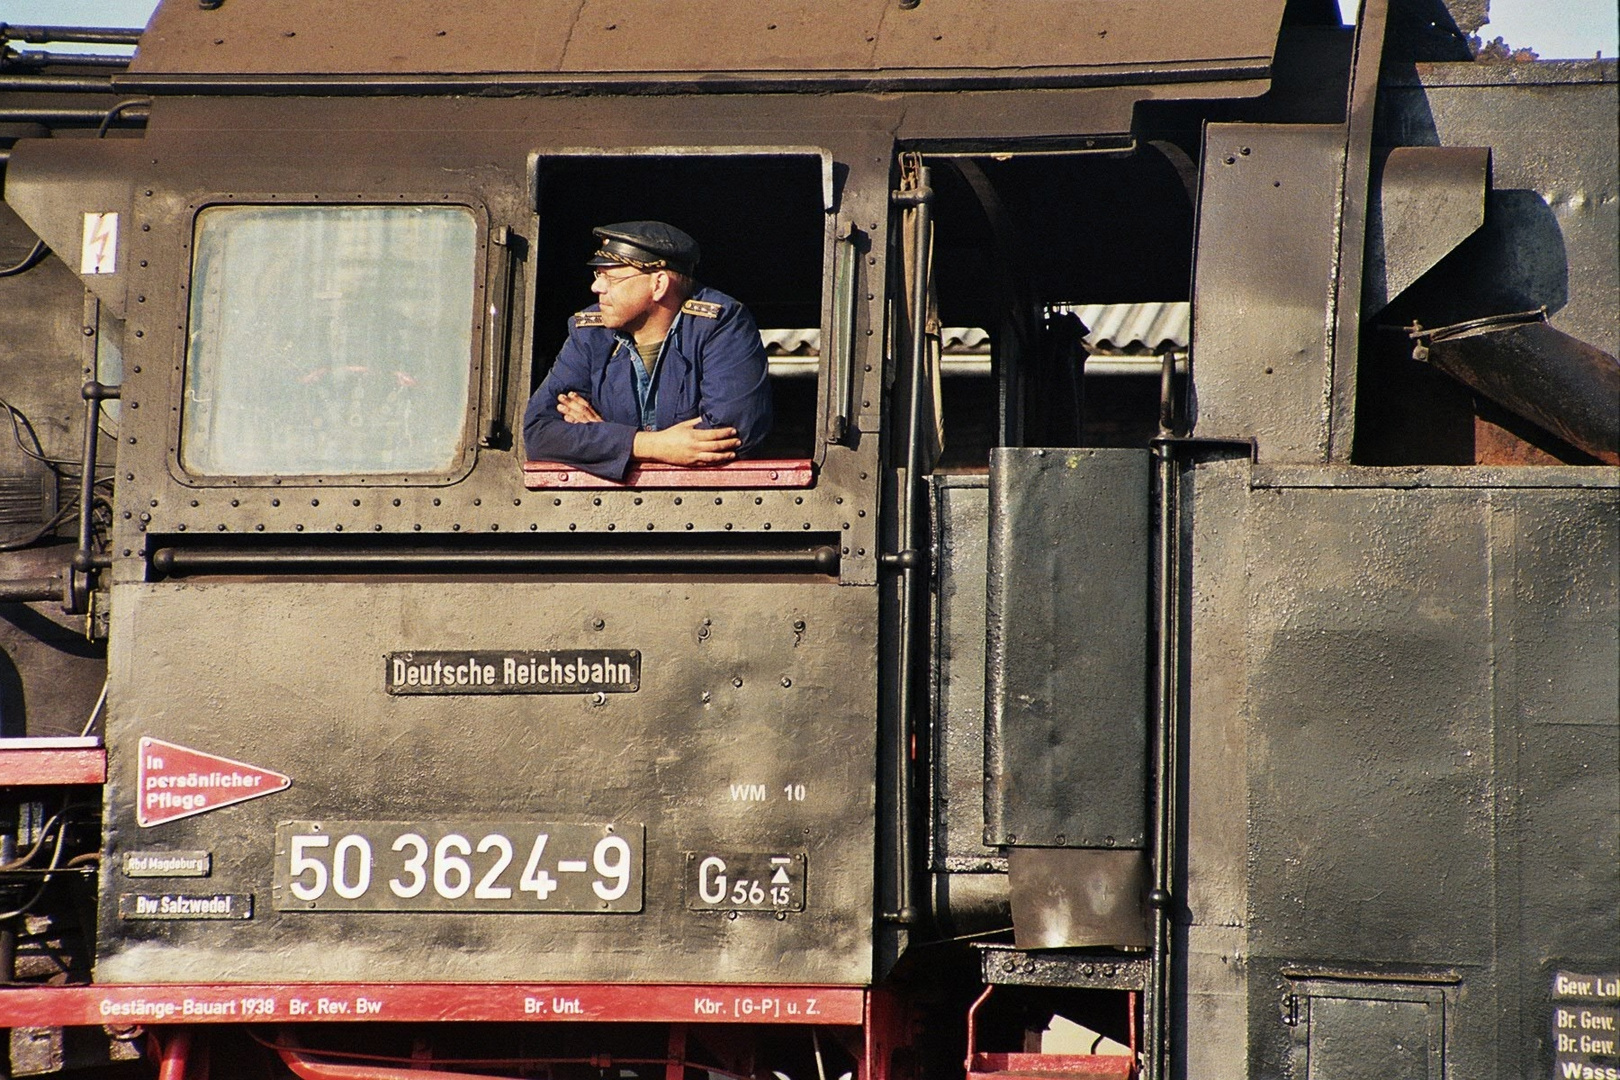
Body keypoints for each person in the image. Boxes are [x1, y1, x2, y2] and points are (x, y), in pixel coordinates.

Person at [522, 221, 773, 480]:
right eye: (598, 275)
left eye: (611, 277)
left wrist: (602, 438)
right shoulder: (589, 333)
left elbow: (729, 438)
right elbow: (539, 433)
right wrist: (648, 445)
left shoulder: (721, 324)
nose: (597, 288)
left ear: (659, 284)